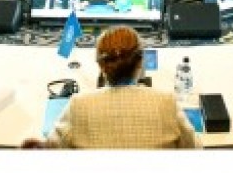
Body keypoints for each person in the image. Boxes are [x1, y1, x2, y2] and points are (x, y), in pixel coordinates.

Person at [24, 26, 200, 149]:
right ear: (140, 63)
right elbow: (195, 149)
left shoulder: (79, 106)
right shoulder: (166, 103)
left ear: (101, 66)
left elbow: (51, 150)